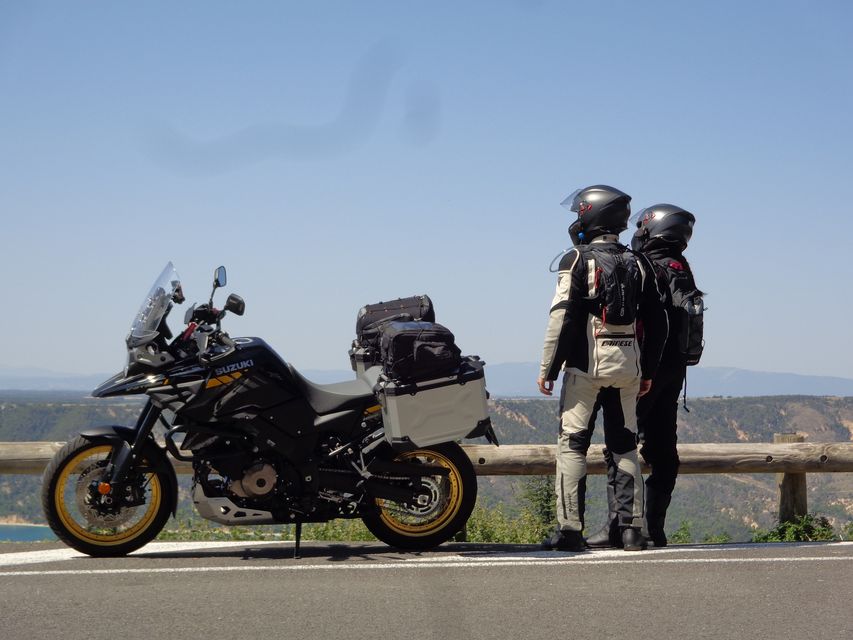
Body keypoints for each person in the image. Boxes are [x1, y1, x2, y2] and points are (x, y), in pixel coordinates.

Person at [538, 185, 668, 552]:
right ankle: (631, 530)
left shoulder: (576, 260)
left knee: (572, 445)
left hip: (585, 368)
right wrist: (649, 372)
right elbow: (658, 325)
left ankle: (569, 530)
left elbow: (561, 319)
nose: (577, 218)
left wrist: (548, 368)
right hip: (629, 366)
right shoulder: (639, 262)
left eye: (580, 212)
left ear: (591, 215)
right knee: (625, 445)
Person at [586, 203, 701, 549]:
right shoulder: (682, 268)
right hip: (675, 371)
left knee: (620, 445)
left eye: (641, 228)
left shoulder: (648, 266)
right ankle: (654, 528)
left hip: (647, 369)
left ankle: (619, 526)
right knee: (664, 448)